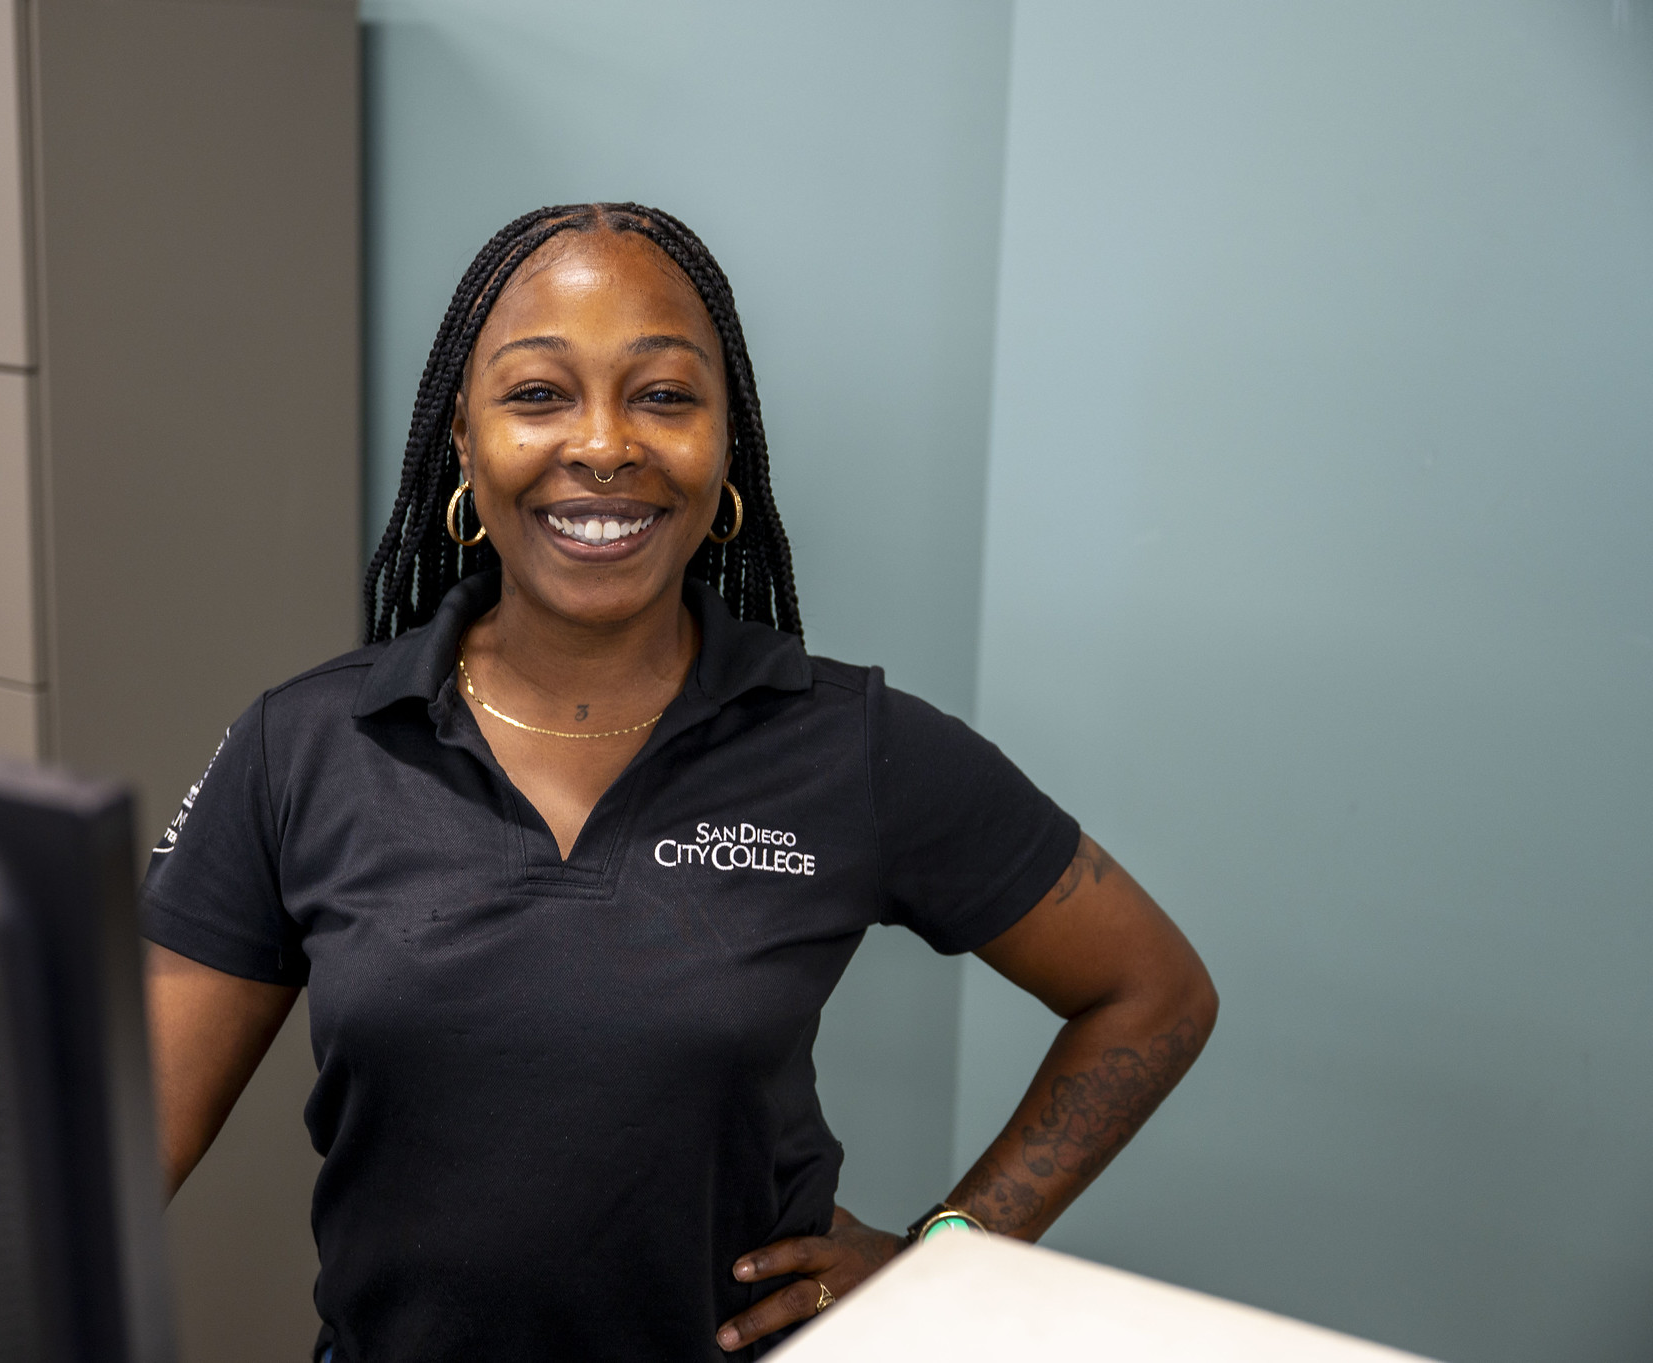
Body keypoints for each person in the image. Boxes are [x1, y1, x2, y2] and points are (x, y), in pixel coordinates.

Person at [141, 203, 1218, 1362]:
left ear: (725, 447)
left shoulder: (847, 743)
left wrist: (947, 1250)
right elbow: (124, 1142)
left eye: (662, 395)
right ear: (462, 441)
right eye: (538, 394)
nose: (604, 445)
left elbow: (1149, 992)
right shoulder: (306, 744)